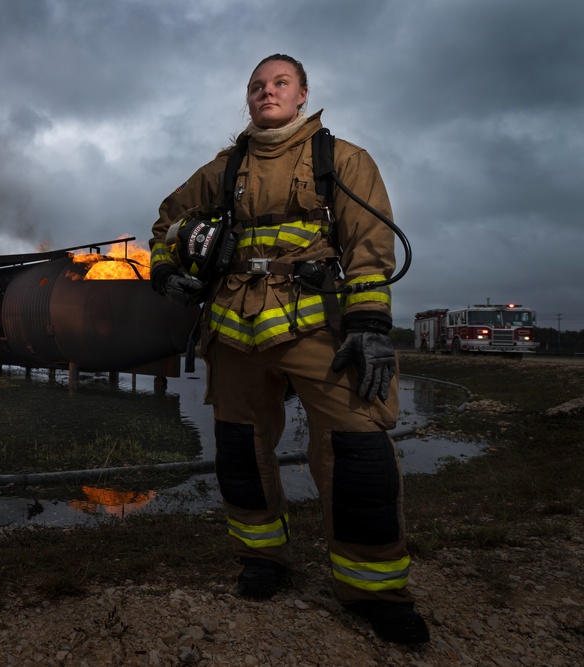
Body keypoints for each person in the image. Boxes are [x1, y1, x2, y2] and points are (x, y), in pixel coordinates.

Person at [149, 54, 430, 644]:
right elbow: (166, 224)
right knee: (240, 449)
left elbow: (368, 246)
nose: (265, 92)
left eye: (279, 83)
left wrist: (371, 326)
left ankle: (375, 590)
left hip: (319, 328)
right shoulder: (224, 170)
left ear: (303, 94)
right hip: (232, 328)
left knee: (359, 450)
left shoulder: (342, 160)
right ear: (247, 100)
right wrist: (167, 271)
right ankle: (262, 559)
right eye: (256, 86)